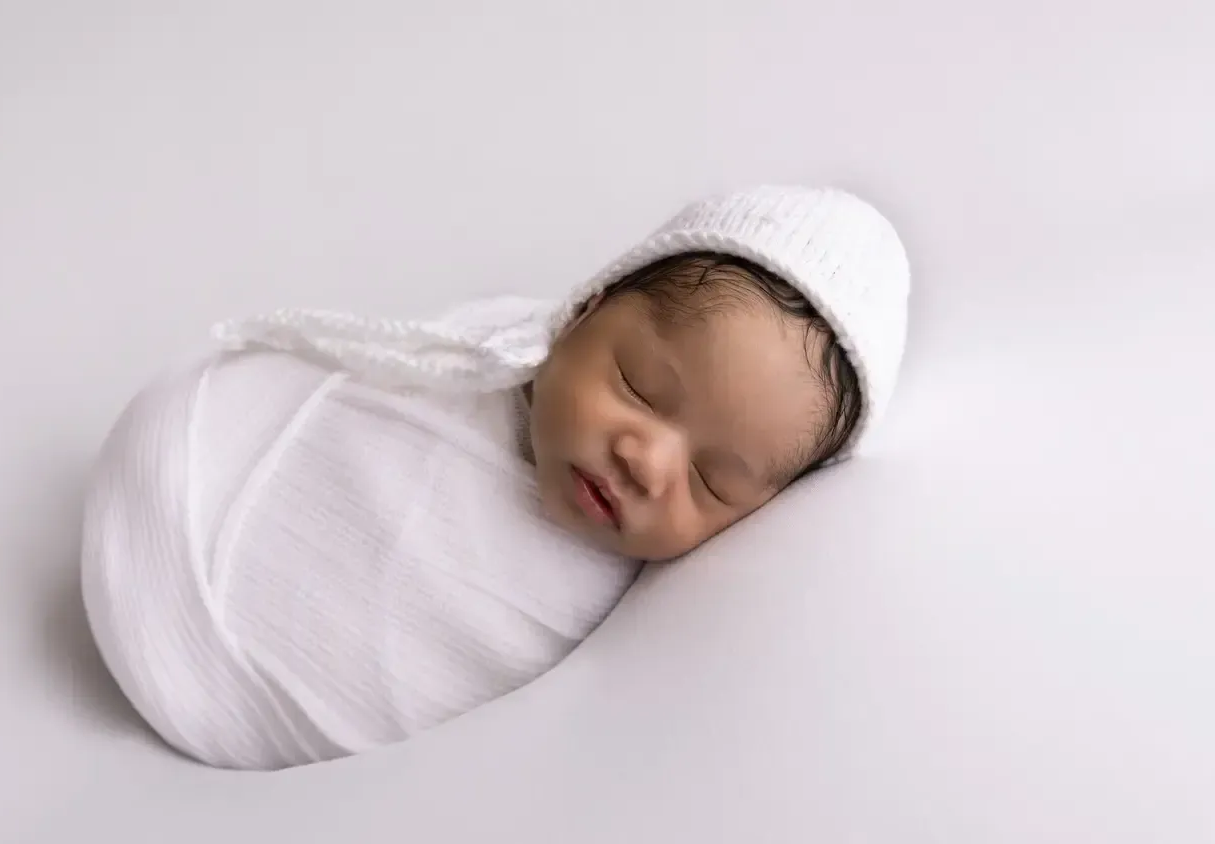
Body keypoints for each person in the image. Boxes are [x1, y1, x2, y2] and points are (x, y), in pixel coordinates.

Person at [81, 185, 911, 769]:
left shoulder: (635, 611)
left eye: (714, 482)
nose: (648, 460)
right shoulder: (479, 351)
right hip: (165, 521)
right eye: (639, 387)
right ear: (584, 308)